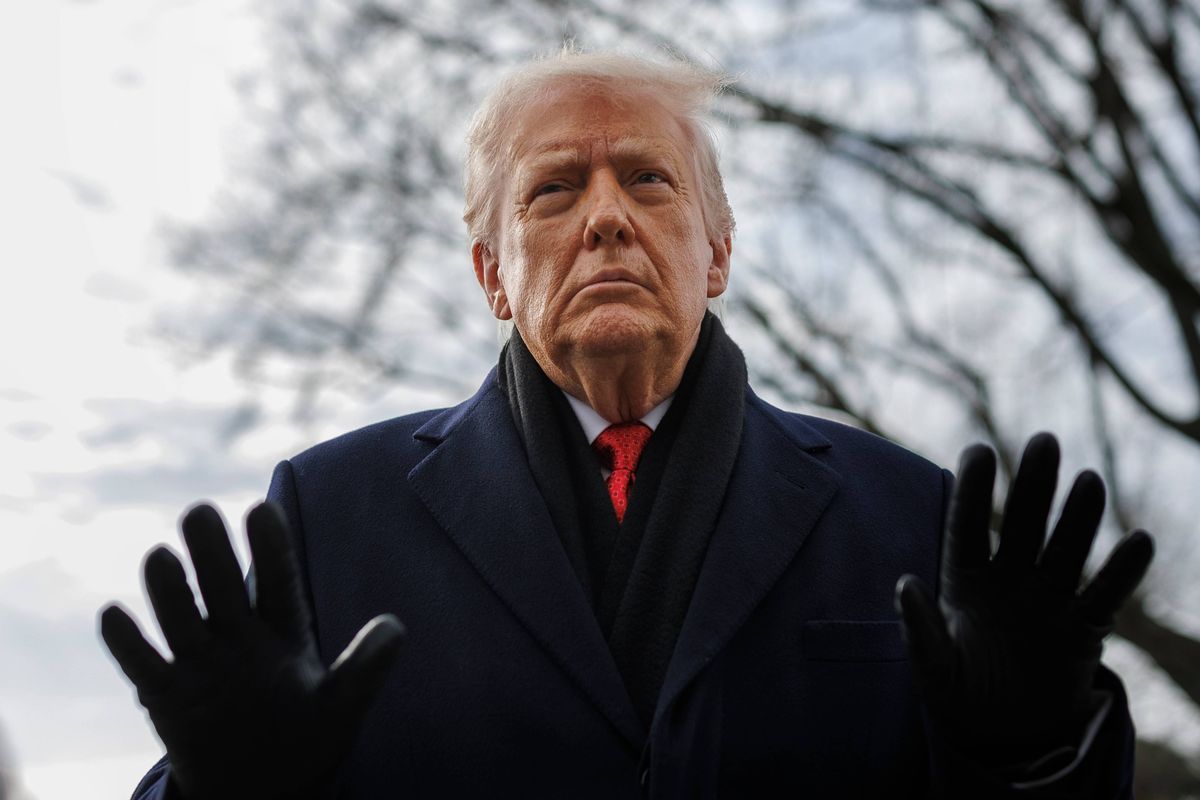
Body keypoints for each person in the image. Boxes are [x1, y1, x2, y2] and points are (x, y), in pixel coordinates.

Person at [100, 50, 1154, 799]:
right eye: (554, 188)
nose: (606, 214)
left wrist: (1038, 756)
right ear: (491, 276)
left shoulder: (914, 512)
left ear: (719, 252)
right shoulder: (330, 519)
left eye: (648, 178)